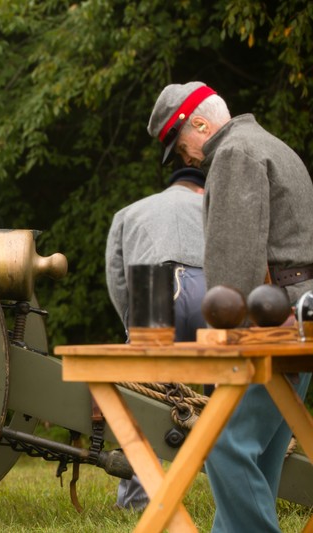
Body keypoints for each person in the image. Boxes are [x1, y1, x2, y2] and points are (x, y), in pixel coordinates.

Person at [147, 81, 313, 532]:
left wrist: (222, 334)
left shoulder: (235, 153)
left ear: (199, 125)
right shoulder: (271, 145)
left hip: (271, 323)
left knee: (221, 441)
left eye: (184, 151)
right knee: (260, 450)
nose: (190, 162)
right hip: (299, 315)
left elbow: (233, 265)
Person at [105, 166, 207, 511]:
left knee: (144, 400)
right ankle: (232, 493)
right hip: (211, 290)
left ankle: (137, 500)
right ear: (201, 190)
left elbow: (117, 279)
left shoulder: (129, 212)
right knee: (225, 393)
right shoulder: (210, 206)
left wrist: (131, 328)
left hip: (150, 289)